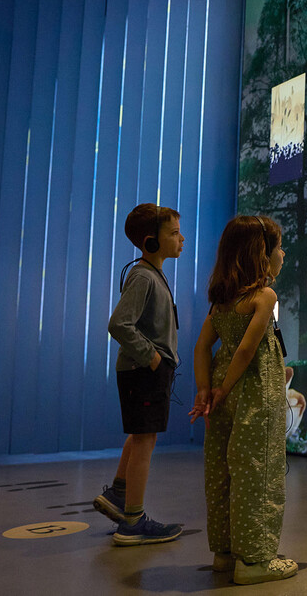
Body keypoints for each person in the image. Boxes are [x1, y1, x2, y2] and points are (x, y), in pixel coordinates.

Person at [190, 215, 297, 585]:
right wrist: (227, 387)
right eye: (278, 247)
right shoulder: (264, 296)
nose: (282, 254)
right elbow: (248, 349)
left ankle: (225, 553)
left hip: (222, 396)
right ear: (261, 255)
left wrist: (207, 390)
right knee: (258, 471)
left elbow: (202, 347)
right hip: (253, 393)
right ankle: (254, 561)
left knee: (222, 471)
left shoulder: (221, 301)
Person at [94, 202, 185, 546]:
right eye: (174, 233)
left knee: (140, 434)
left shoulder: (151, 274)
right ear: (150, 242)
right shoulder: (143, 275)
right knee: (145, 440)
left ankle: (119, 494)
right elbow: (119, 324)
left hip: (150, 372)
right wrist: (153, 360)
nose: (181, 239)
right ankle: (132, 521)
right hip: (144, 372)